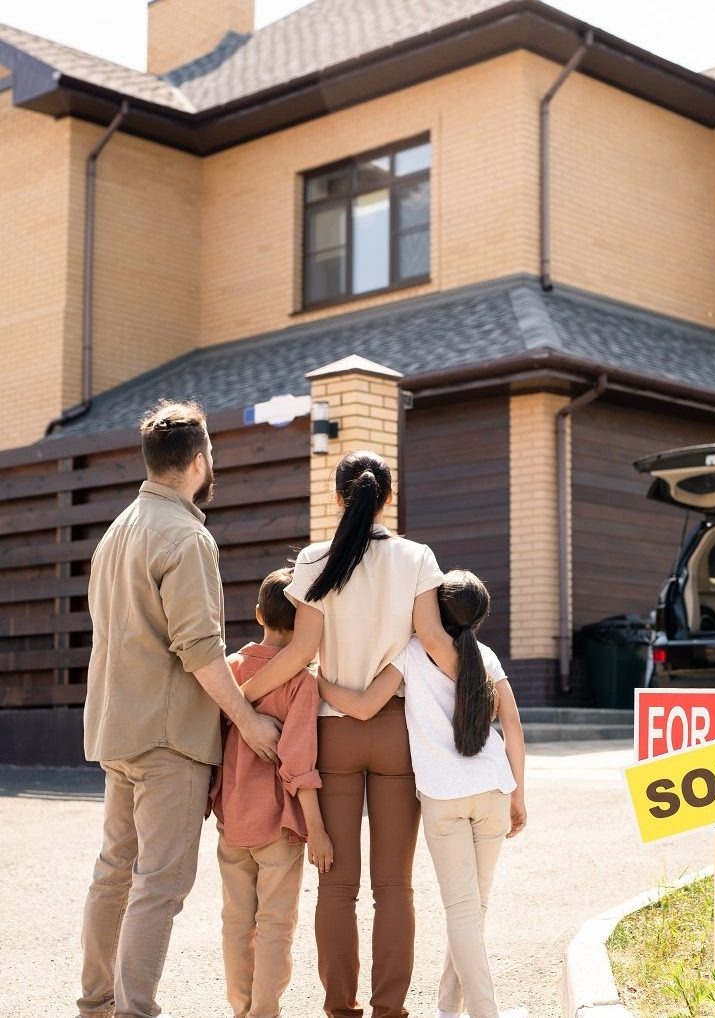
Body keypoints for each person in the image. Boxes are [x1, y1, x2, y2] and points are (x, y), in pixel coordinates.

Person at [239, 449, 476, 1018]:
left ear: (338, 496)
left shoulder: (315, 560)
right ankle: (390, 1010)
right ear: (387, 498)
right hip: (398, 731)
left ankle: (340, 1011)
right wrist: (479, 695)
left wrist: (241, 697)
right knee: (395, 886)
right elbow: (437, 644)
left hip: (332, 733)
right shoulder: (417, 558)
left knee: (338, 886)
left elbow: (301, 652)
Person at [77, 400, 282, 1018]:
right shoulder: (188, 535)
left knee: (115, 870)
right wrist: (249, 720)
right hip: (168, 739)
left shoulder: (117, 531)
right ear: (199, 461)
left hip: (116, 727)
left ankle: (96, 1003)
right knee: (160, 882)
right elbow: (198, 647)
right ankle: (134, 1010)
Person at [317, 570, 527, 1018]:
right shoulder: (485, 656)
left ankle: (483, 1012)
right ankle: (448, 1008)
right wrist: (518, 793)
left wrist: (319, 682)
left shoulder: (411, 653)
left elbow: (364, 707)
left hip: (445, 798)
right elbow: (512, 725)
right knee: (474, 909)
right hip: (493, 788)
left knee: (464, 910)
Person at [211, 567, 333, 1018]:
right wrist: (316, 830)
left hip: (232, 818)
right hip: (278, 825)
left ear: (258, 613)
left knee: (235, 921)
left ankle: (241, 1009)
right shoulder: (302, 682)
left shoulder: (231, 670)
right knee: (276, 925)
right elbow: (298, 762)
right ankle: (264, 1011)